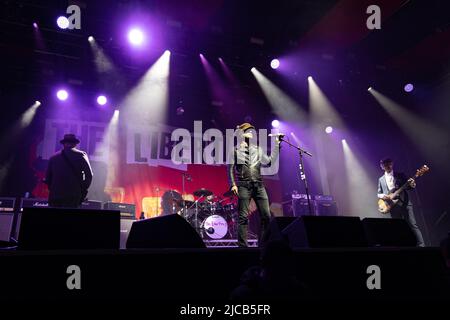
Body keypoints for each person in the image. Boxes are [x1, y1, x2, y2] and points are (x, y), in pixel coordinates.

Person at [227, 123, 280, 247]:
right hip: (243, 185)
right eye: (248, 131)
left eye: (252, 131)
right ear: (241, 134)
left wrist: (277, 144)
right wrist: (233, 184)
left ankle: (263, 244)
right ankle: (242, 246)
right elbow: (229, 169)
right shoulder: (234, 151)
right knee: (243, 217)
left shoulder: (258, 149)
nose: (251, 133)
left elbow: (269, 161)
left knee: (266, 216)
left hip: (259, 185)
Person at [377, 158, 425, 247]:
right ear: (382, 166)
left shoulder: (400, 175)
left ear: (392, 164)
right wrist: (384, 196)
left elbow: (409, 186)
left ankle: (421, 246)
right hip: (392, 205)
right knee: (397, 227)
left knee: (412, 224)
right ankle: (402, 246)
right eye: (385, 164)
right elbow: (379, 193)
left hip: (405, 203)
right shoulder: (381, 179)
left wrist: (412, 185)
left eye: (389, 163)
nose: (388, 165)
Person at [45, 134, 93, 208]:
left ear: (63, 144)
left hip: (55, 195)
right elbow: (89, 175)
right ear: (75, 144)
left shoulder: (53, 157)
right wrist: (82, 188)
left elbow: (48, 178)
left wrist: (53, 189)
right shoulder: (81, 155)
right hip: (73, 195)